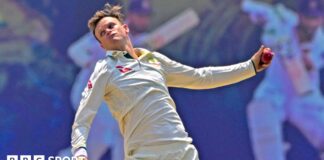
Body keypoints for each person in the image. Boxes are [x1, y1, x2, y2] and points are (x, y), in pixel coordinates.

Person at [71, 3, 272, 160]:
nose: (108, 33)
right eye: (102, 33)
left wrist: (250, 67)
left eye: (111, 27)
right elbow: (83, 115)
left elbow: (201, 77)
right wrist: (79, 150)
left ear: (125, 28)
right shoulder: (102, 70)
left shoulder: (153, 59)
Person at [58, 1, 154, 160]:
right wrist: (89, 61)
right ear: (131, 15)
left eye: (147, 17)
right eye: (141, 16)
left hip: (111, 102)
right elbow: (75, 50)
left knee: (98, 150)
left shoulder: (145, 42)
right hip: (90, 98)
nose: (144, 21)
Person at [241, 0, 324, 159]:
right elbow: (251, 7)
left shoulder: (321, 43)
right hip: (274, 92)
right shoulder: (282, 20)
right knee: (260, 112)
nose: (309, 24)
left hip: (304, 98)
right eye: (307, 17)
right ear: (300, 15)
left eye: (314, 19)